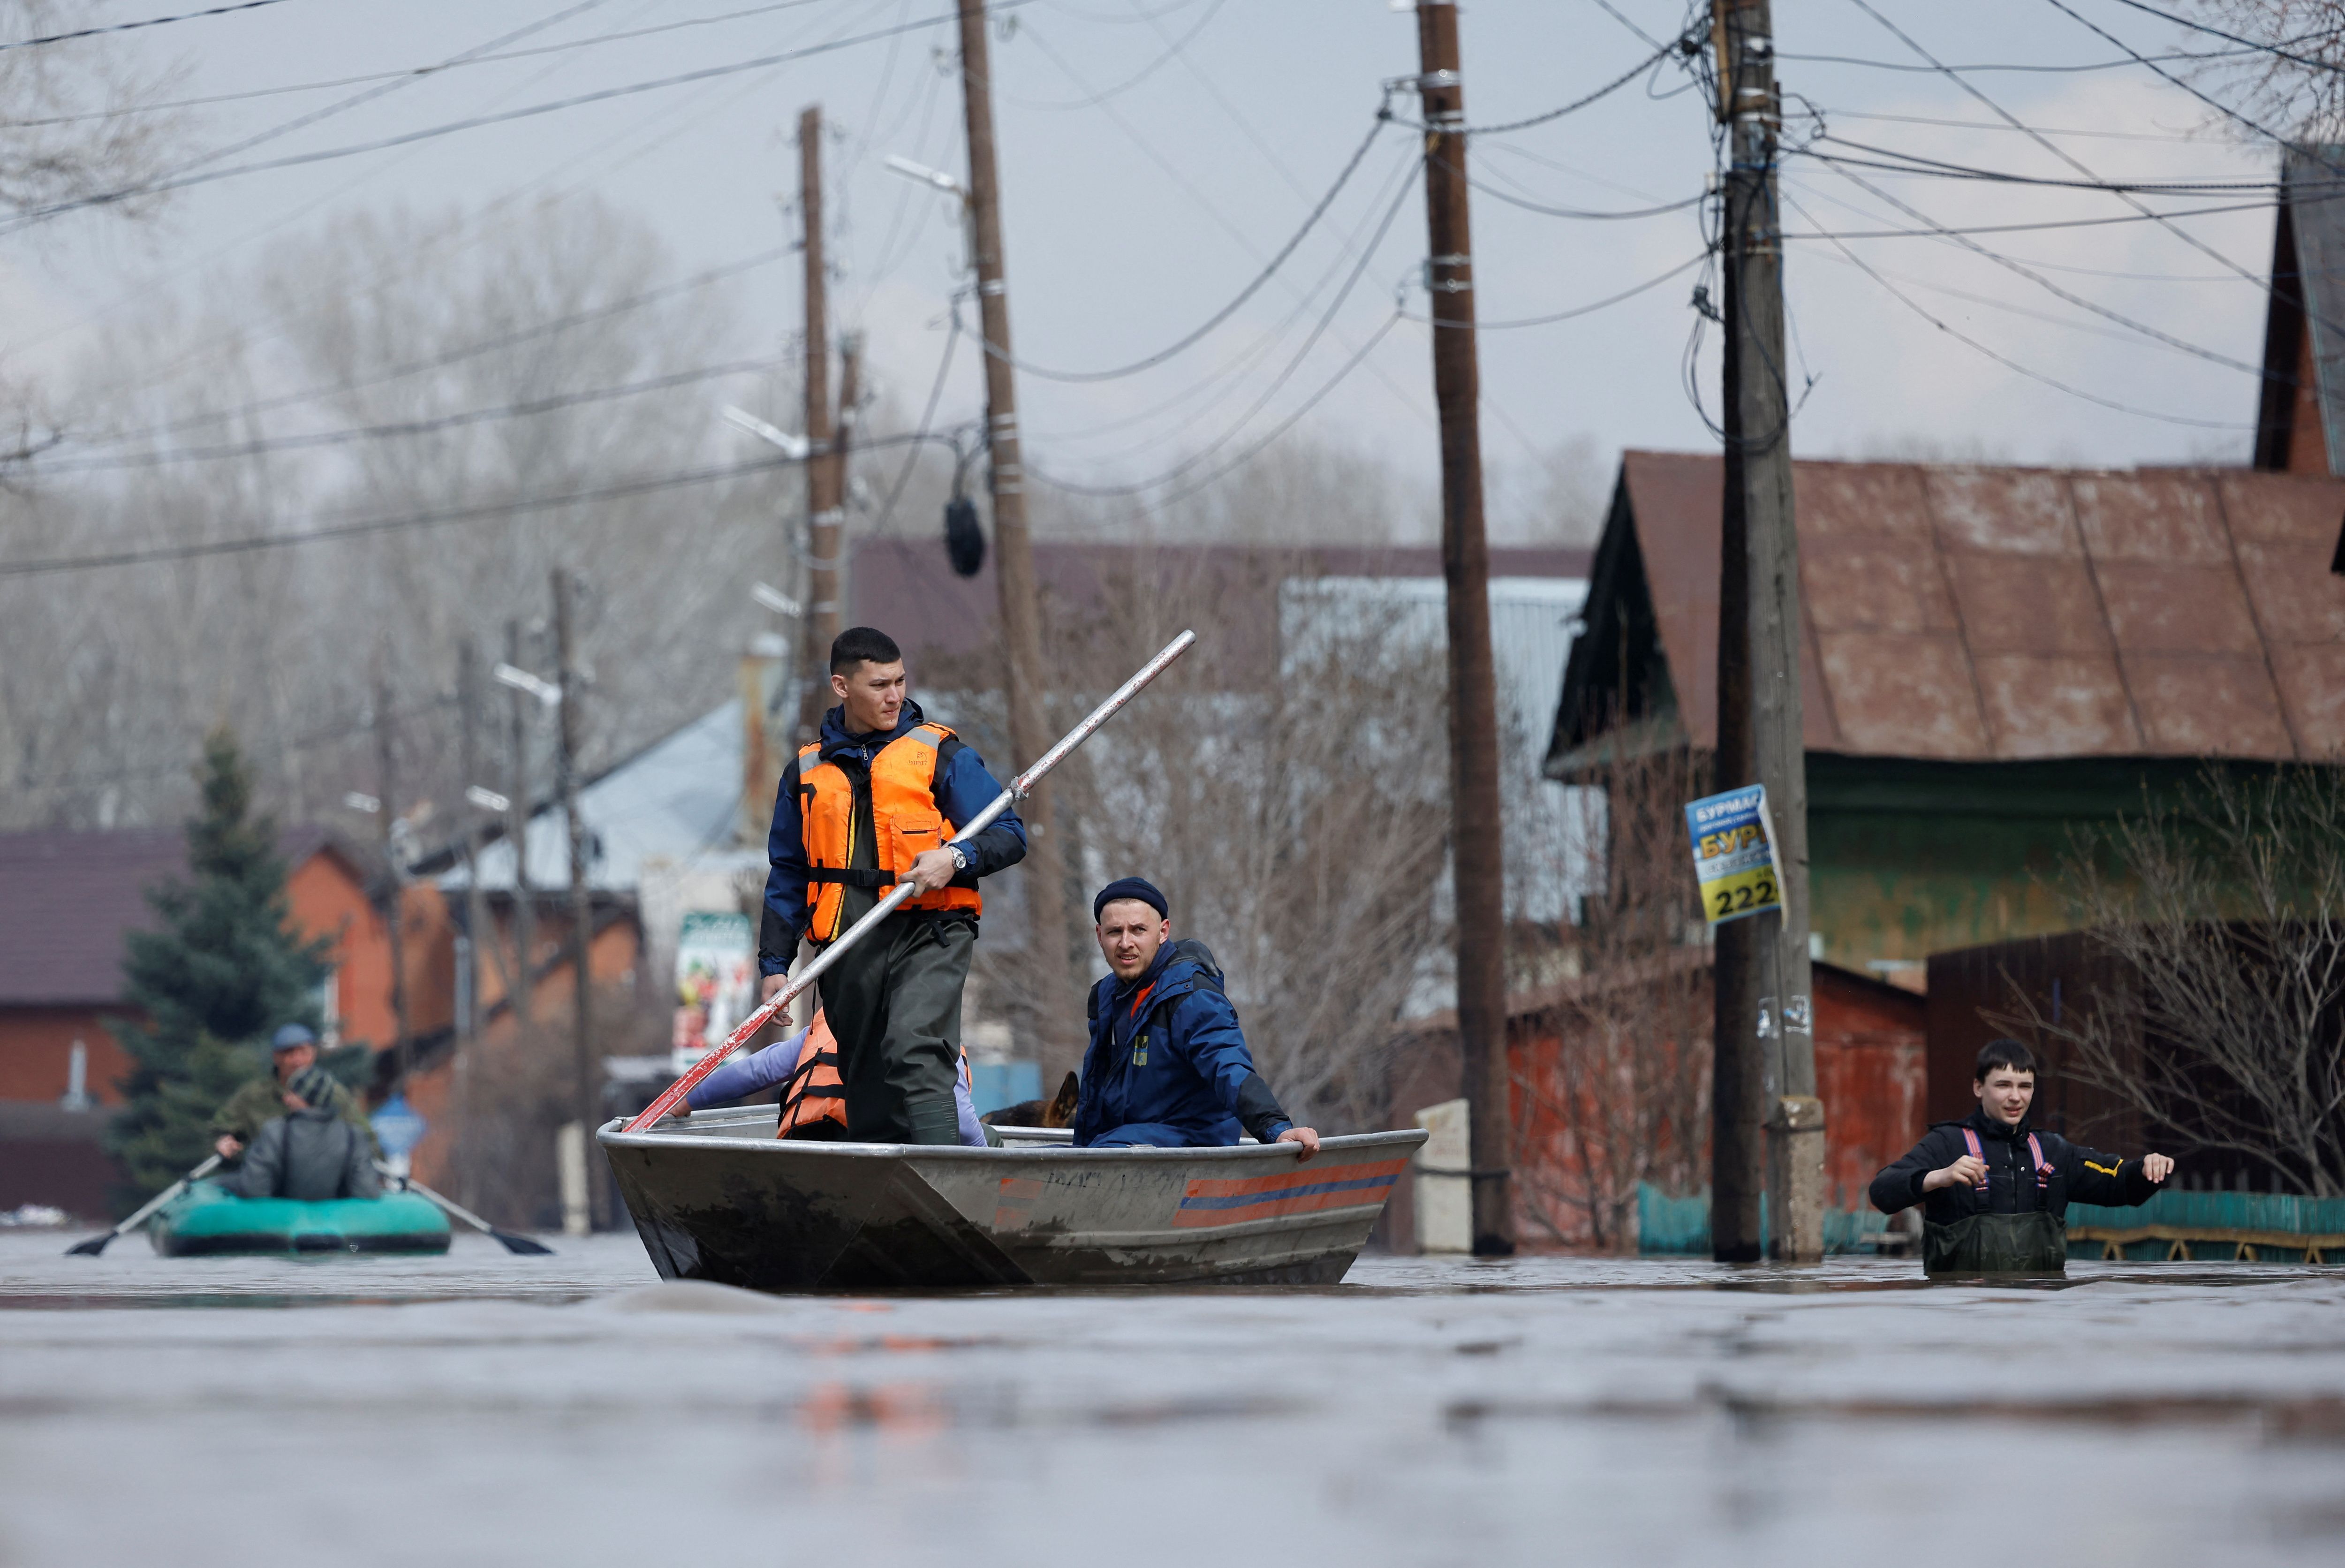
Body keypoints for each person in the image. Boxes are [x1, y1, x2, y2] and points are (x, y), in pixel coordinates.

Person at [757, 627, 1027, 1145]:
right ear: (841, 686)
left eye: (900, 682)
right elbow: (788, 871)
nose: (895, 696)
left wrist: (956, 857)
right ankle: (896, 1201)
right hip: (847, 941)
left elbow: (1008, 835)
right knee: (866, 1078)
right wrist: (774, 964)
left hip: (931, 930)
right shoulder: (805, 771)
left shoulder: (939, 754)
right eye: (880, 684)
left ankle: (948, 1183)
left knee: (913, 1046)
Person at [1869, 1038, 2174, 1274]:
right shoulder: (1946, 1144)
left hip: (2039, 1318)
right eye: (2003, 1085)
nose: (2016, 1097)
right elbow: (1882, 1191)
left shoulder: (2054, 1151)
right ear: (1979, 1087)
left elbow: (2121, 1184)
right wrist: (1938, 1177)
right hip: (1962, 1322)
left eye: (2025, 1086)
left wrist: (2149, 1169)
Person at [1070, 877, 1320, 1158]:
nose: (1126, 943)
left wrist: (1274, 1128)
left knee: (1095, 1159)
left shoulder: (1191, 995)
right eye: (1115, 932)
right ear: (1099, 935)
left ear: (1163, 931)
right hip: (1129, 1138)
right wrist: (1082, 1150)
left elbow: (1228, 1065)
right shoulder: (1107, 994)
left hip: (1192, 1141)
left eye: (1139, 930)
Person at [671, 1008, 989, 1147]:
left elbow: (758, 1069)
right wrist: (987, 1161)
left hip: (803, 1140)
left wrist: (690, 1098)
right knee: (987, 1134)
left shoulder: (829, 1022)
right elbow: (961, 1119)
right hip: (868, 1153)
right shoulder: (936, 1036)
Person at [212, 1023, 376, 1164]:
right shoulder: (254, 1096)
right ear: (276, 1057)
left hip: (325, 1181)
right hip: (268, 1180)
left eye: (304, 1052)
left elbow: (365, 1138)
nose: (298, 1060)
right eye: (289, 1053)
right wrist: (224, 1143)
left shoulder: (335, 1094)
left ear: (314, 1054)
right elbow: (221, 1129)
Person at [234, 1064, 382, 1202]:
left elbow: (253, 1189)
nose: (286, 1099)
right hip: (335, 1226)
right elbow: (367, 1191)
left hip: (285, 1225)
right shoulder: (353, 1136)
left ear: (305, 1098)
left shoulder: (275, 1132)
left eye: (292, 1093)